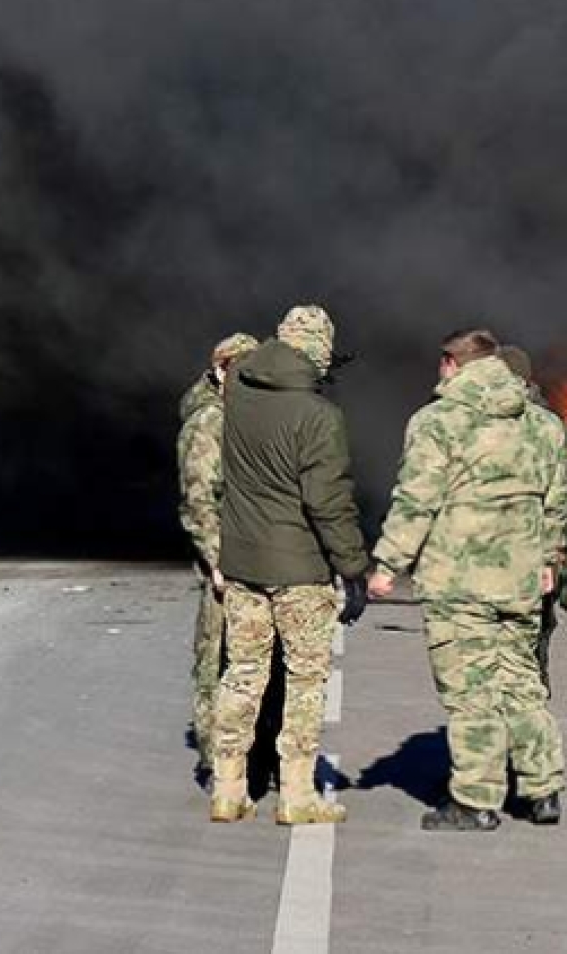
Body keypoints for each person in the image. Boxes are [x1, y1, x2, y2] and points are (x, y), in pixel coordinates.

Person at [368, 329, 567, 832]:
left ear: (450, 364)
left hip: (458, 582)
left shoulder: (438, 422)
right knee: (522, 684)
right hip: (520, 578)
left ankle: (476, 801)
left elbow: (417, 500)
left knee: (471, 691)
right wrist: (549, 557)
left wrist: (388, 565)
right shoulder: (543, 425)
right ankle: (543, 789)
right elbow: (556, 499)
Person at [211, 306, 370, 825]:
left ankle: (228, 787)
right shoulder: (318, 416)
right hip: (299, 569)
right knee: (305, 680)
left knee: (243, 672)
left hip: (241, 561)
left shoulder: (237, 391)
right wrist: (353, 567)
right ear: (320, 353)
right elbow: (328, 500)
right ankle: (297, 794)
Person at [176, 331, 260, 779]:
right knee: (215, 662)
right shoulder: (210, 422)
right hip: (226, 565)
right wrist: (218, 560)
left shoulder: (245, 416)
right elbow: (199, 502)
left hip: (255, 559)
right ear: (221, 370)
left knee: (251, 664)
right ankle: (217, 762)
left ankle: (249, 754)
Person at [496, 344, 567, 693]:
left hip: (535, 567)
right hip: (486, 569)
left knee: (526, 667)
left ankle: (524, 738)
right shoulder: (478, 422)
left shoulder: (551, 430)